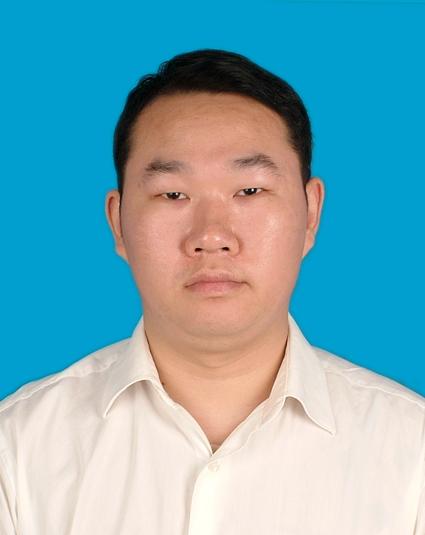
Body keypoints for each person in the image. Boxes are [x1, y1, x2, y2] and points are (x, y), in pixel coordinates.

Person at [0, 48, 424, 534]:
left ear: (311, 213)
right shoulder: (17, 451)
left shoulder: (412, 455)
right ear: (118, 221)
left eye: (250, 191)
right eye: (173, 194)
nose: (211, 235)